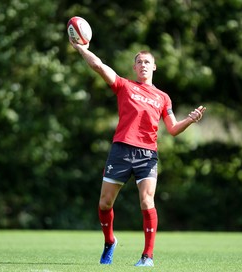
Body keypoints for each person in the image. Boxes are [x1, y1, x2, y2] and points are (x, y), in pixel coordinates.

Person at [69, 38, 206, 267]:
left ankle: (147, 257)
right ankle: (110, 241)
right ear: (134, 67)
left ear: (154, 67)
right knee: (104, 203)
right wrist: (82, 48)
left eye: (147, 62)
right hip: (121, 150)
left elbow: (172, 129)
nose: (143, 65)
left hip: (147, 154)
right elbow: (99, 66)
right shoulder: (124, 86)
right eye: (139, 62)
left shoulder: (163, 97)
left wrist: (189, 121)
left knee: (146, 200)